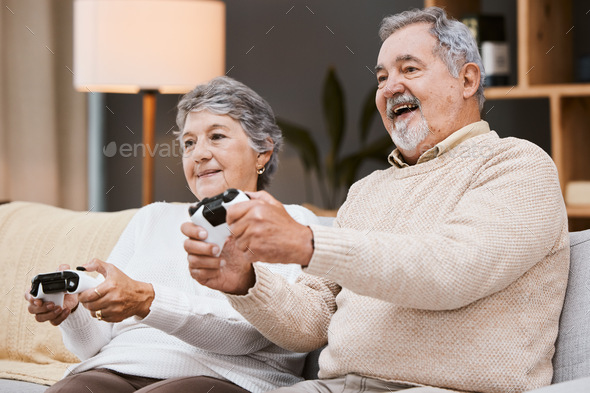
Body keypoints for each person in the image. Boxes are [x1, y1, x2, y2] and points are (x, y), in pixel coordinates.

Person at [182, 7, 570, 393]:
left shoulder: (517, 165)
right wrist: (244, 281)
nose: (389, 88)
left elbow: (449, 270)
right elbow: (313, 321)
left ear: (467, 80)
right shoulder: (367, 191)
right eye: (382, 77)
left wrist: (308, 243)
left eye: (409, 69)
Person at [25, 76, 318, 393]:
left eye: (216, 137)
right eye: (189, 143)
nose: (198, 154)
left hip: (225, 377)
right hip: (116, 370)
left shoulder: (291, 223)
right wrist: (72, 312)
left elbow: (251, 332)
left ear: (262, 151)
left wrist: (147, 301)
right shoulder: (152, 217)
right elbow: (91, 345)